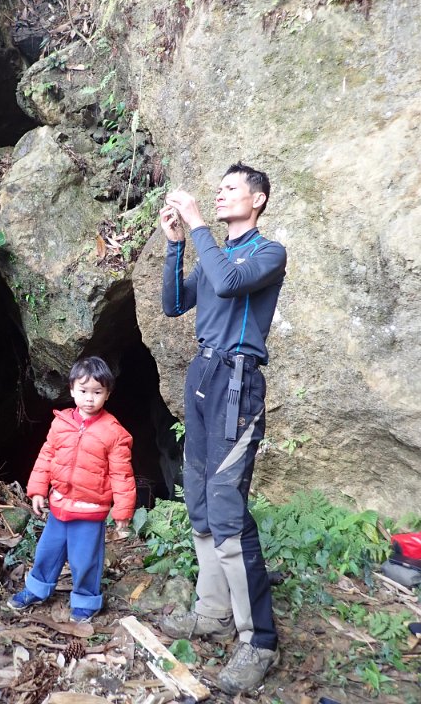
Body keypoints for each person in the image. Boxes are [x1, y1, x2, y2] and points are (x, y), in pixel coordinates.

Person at [158, 162, 287, 695]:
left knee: (228, 508)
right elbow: (173, 304)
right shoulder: (215, 254)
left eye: (231, 188)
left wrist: (196, 225)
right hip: (203, 376)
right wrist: (175, 245)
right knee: (199, 500)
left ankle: (260, 641)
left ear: (257, 200)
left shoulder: (267, 253)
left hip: (238, 384)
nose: (219, 193)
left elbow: (231, 284)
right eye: (218, 188)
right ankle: (213, 614)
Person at [7, 356, 136, 623]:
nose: (89, 398)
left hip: (90, 509)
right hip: (59, 505)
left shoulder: (114, 433)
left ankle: (86, 601)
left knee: (85, 559)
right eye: (83, 390)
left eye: (97, 392)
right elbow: (46, 457)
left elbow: (122, 474)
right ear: (72, 390)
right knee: (47, 551)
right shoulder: (61, 423)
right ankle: (37, 588)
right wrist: (38, 489)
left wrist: (123, 512)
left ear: (108, 394)